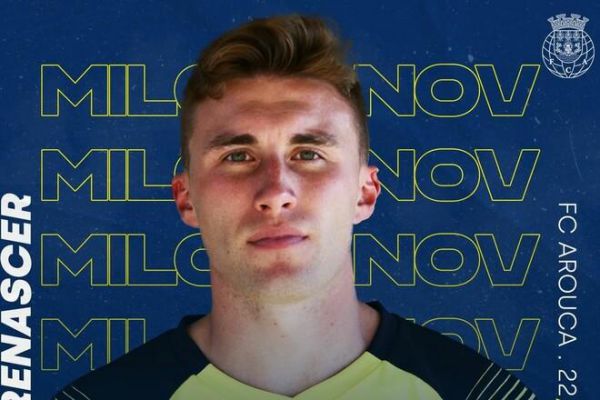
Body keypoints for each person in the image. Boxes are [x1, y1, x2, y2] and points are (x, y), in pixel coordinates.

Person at [54, 15, 536, 400]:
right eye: (237, 156)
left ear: (365, 193)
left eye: (308, 154)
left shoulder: (478, 393)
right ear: (187, 198)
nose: (276, 190)